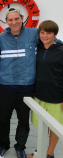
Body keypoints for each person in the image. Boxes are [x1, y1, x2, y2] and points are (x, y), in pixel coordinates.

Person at [0, 7, 40, 158]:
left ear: (22, 19)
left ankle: (20, 147)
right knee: (4, 118)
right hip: (6, 85)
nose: (14, 22)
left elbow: (53, 42)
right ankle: (3, 145)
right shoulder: (1, 38)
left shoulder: (34, 34)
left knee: (23, 120)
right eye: (10, 20)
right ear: (6, 22)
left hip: (27, 86)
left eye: (16, 19)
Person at [29, 20, 63, 158]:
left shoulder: (61, 50)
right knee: (42, 126)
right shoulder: (38, 47)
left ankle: (49, 153)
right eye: (42, 32)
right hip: (39, 94)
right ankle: (42, 151)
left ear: (55, 34)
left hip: (57, 96)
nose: (45, 36)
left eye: (48, 33)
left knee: (53, 127)